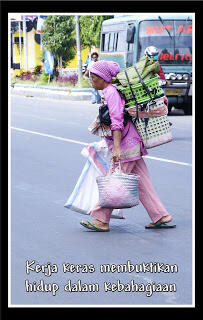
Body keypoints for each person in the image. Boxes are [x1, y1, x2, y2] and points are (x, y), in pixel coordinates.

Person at [80, 60, 175, 232]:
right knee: (142, 183)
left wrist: (116, 148)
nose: (91, 80)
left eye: (94, 77)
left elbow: (117, 122)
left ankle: (101, 219)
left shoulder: (111, 93)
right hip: (131, 143)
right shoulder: (108, 92)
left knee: (114, 181)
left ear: (103, 77)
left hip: (125, 145)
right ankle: (161, 215)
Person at [145, 46, 172, 125]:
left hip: (156, 89)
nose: (154, 58)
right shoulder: (142, 66)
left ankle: (164, 118)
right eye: (152, 56)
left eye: (156, 56)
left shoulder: (157, 65)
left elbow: (161, 77)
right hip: (145, 90)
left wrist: (165, 82)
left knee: (165, 100)